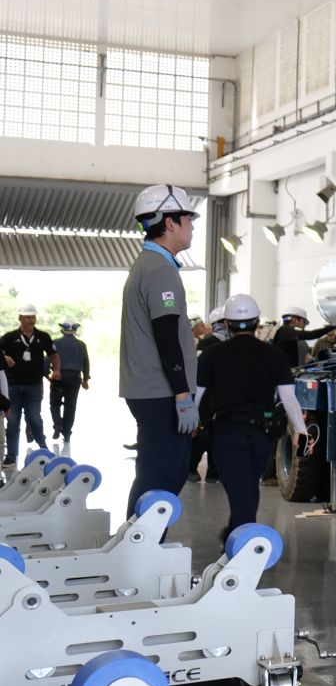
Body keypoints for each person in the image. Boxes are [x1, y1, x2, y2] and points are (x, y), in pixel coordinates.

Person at [196, 293, 309, 542]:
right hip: (262, 433)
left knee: (239, 489)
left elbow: (197, 396)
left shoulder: (211, 355)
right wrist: (300, 431)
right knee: (248, 487)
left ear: (227, 323)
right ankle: (236, 535)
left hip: (226, 432)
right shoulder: (274, 355)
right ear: (257, 323)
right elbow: (288, 398)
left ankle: (241, 543)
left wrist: (190, 426)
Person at [120, 184, 201, 513]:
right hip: (161, 392)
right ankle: (139, 540)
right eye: (188, 219)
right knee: (161, 478)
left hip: (152, 390)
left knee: (160, 473)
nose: (192, 226)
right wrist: (182, 395)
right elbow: (166, 335)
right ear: (170, 223)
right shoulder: (160, 270)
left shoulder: (148, 264)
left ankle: (140, 539)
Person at [2, 305, 55, 465]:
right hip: (13, 387)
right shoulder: (9, 337)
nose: (30, 320)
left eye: (32, 317)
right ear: (20, 318)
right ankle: (11, 455)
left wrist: (57, 370)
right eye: (27, 317)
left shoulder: (43, 336)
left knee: (34, 418)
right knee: (12, 421)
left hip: (34, 386)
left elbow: (54, 354)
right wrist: (4, 358)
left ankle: (43, 448)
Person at [48, 320, 88, 447]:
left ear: (62, 330)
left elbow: (47, 359)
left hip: (58, 376)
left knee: (55, 403)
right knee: (70, 406)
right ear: (75, 330)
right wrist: (85, 379)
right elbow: (86, 362)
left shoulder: (55, 343)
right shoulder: (81, 345)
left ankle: (57, 424)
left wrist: (47, 375)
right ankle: (66, 433)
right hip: (74, 378)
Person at [272, 307, 336, 369]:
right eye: (304, 322)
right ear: (294, 320)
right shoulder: (285, 331)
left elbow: (302, 365)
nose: (304, 326)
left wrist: (316, 359)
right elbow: (313, 334)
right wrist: (332, 327)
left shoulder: (292, 338)